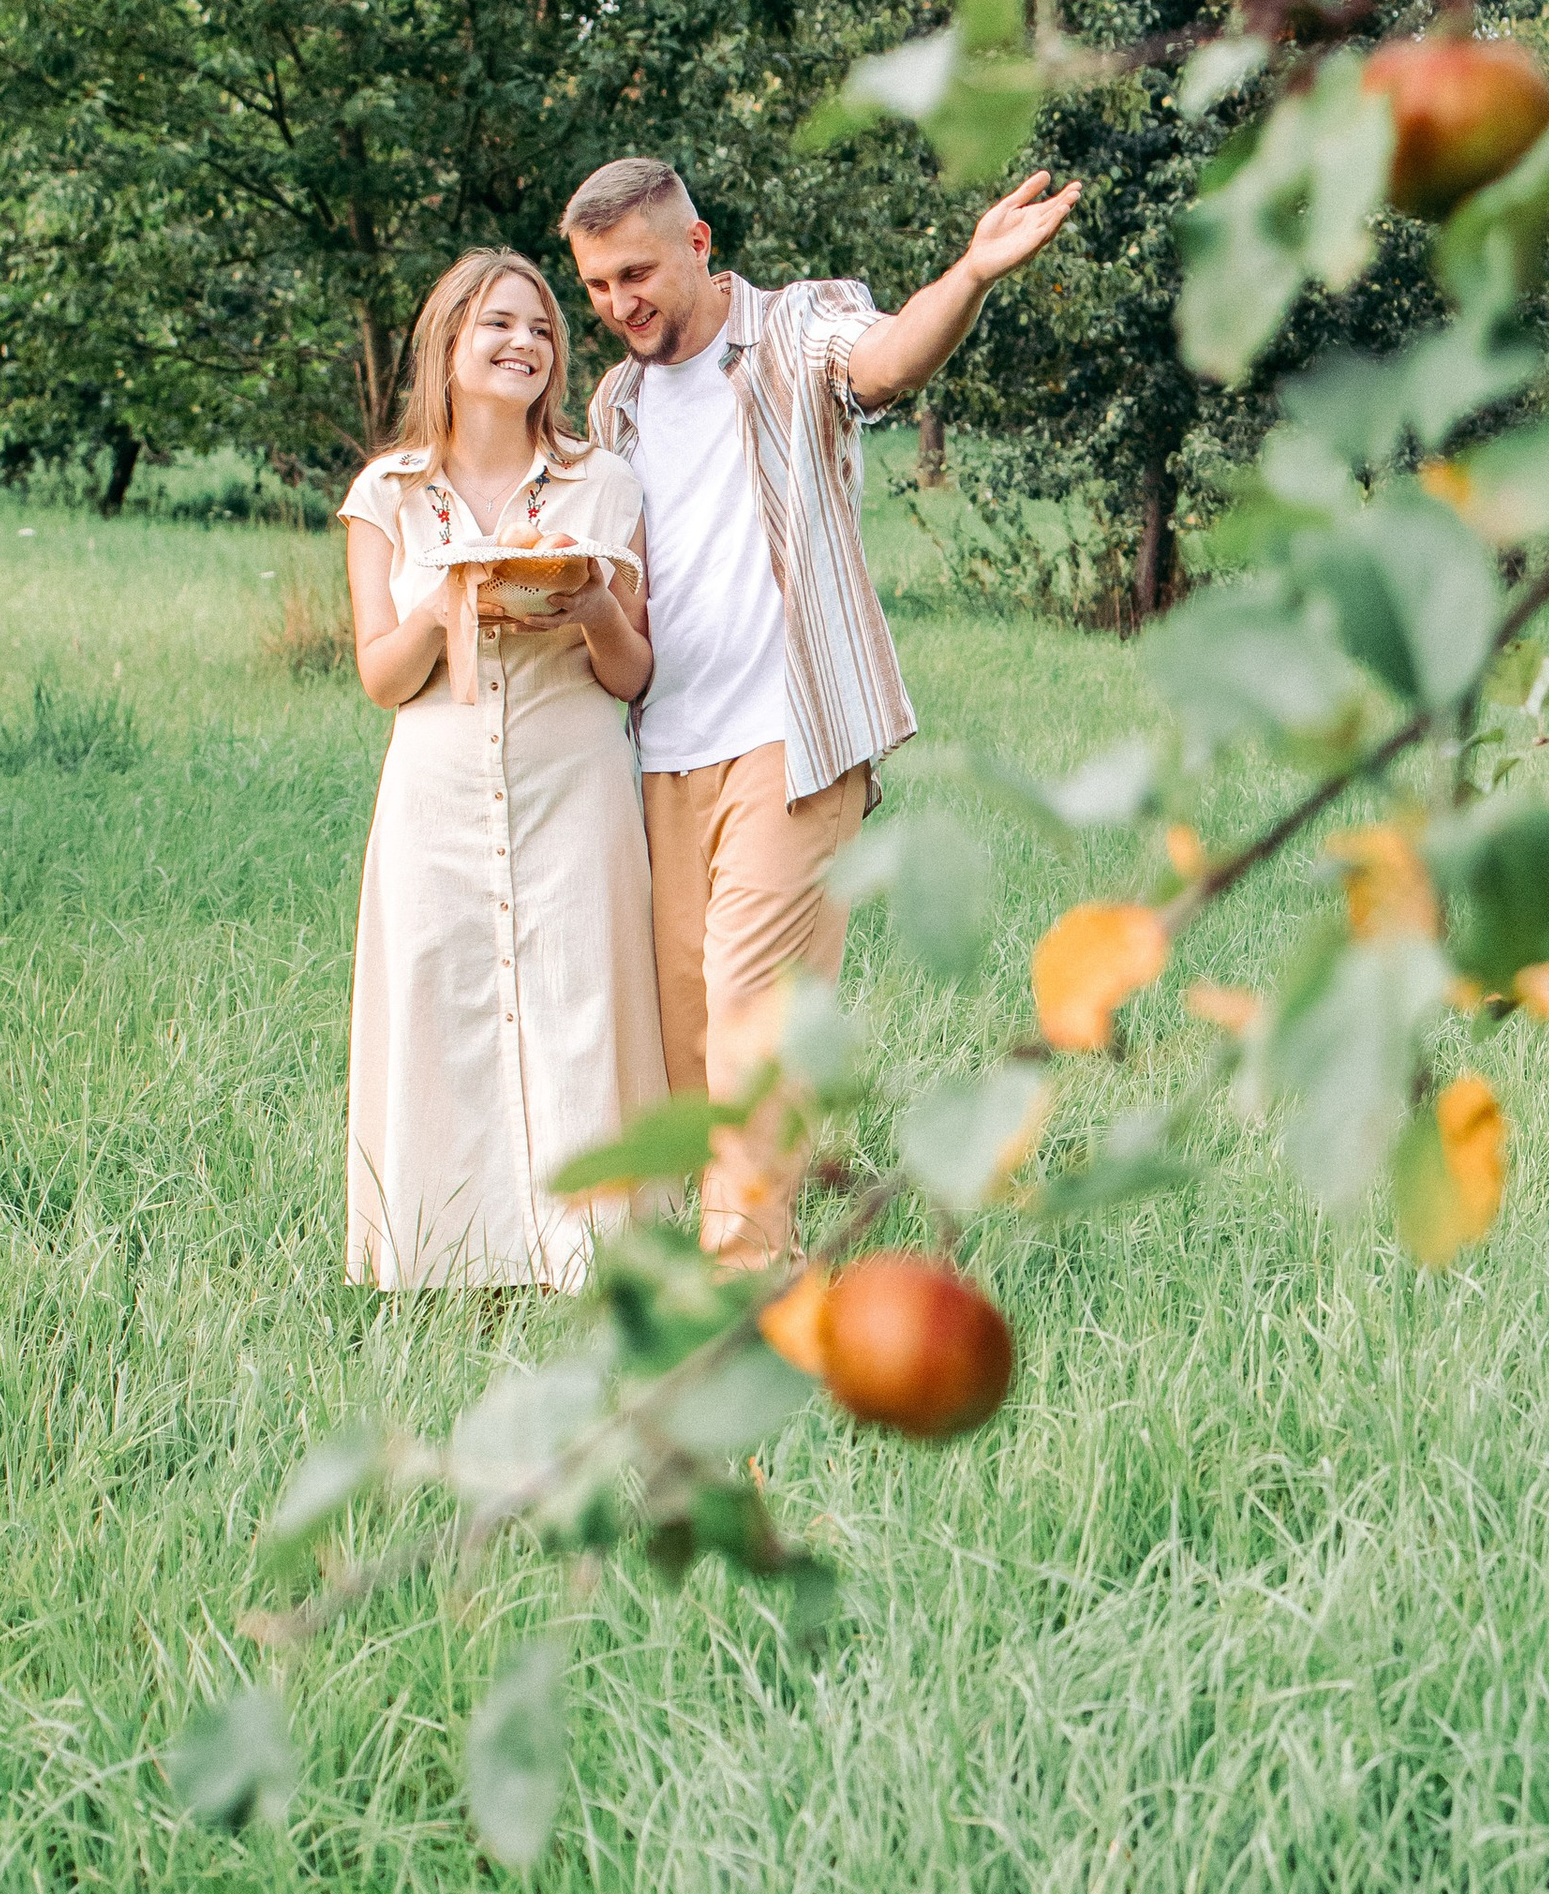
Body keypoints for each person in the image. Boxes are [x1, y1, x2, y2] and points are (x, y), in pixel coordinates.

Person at [561, 156, 1079, 1261]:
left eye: (636, 273)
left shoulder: (795, 328)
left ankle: (733, 1300)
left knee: (755, 1030)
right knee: (693, 1043)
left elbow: (884, 361)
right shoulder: (615, 406)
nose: (618, 305)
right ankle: (770, 1261)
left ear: (698, 247)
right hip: (664, 754)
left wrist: (970, 275)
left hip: (789, 745)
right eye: (597, 286)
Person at [340, 248, 661, 1292]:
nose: (526, 343)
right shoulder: (387, 494)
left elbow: (630, 673)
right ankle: (443, 1259)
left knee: (583, 1006)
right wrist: (446, 602)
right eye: (500, 325)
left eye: (542, 329)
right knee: (437, 1004)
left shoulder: (601, 484)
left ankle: (592, 1257)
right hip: (433, 792)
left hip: (573, 782)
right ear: (450, 344)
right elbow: (382, 679)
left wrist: (594, 604)